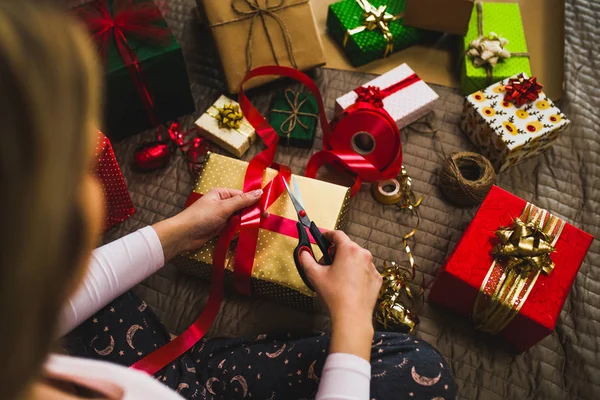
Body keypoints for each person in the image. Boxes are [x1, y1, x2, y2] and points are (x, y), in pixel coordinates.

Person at [0, 3, 456, 400]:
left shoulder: (21, 312)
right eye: (82, 166)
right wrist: (353, 318)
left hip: (117, 363)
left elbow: (58, 297)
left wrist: (179, 233)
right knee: (424, 371)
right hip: (185, 384)